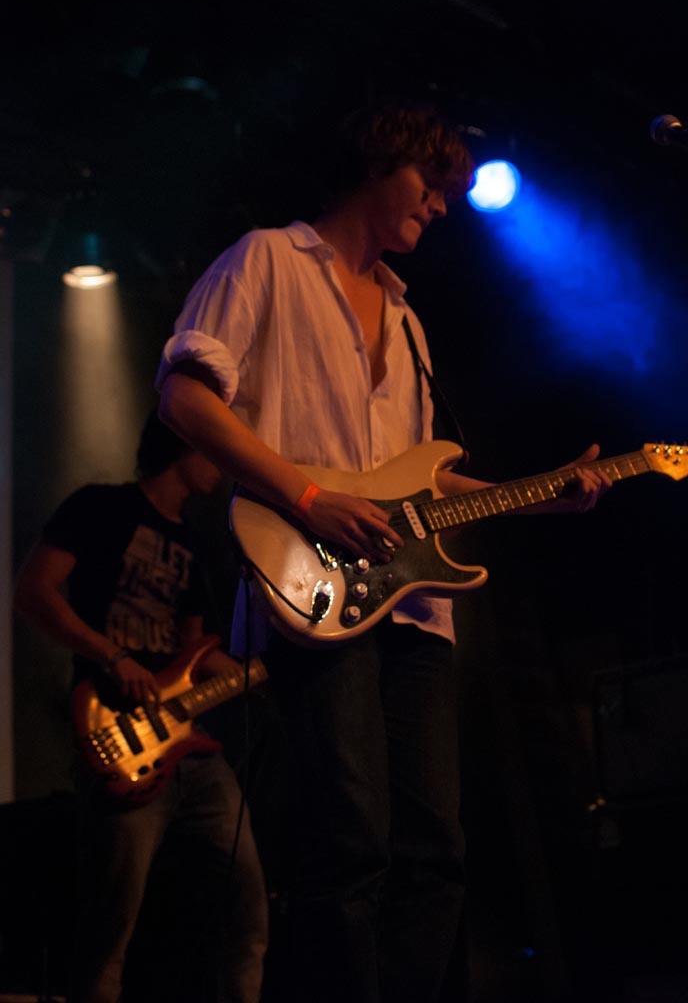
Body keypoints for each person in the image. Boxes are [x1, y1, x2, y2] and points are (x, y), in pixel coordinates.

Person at [154, 101, 611, 1003]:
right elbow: (184, 399)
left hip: (412, 605)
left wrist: (539, 495)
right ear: (380, 162)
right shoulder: (266, 259)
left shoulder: (407, 321)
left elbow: (416, 480)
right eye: (431, 181)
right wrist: (309, 498)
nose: (441, 204)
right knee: (349, 837)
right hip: (309, 585)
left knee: (435, 850)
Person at [13, 411, 269, 1003]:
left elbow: (193, 656)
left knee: (248, 907)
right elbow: (33, 591)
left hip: (191, 752)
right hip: (117, 735)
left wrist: (262, 671)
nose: (220, 466)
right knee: (110, 928)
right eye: (210, 450)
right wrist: (112, 657)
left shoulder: (196, 544)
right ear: (182, 443)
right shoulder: (100, 507)